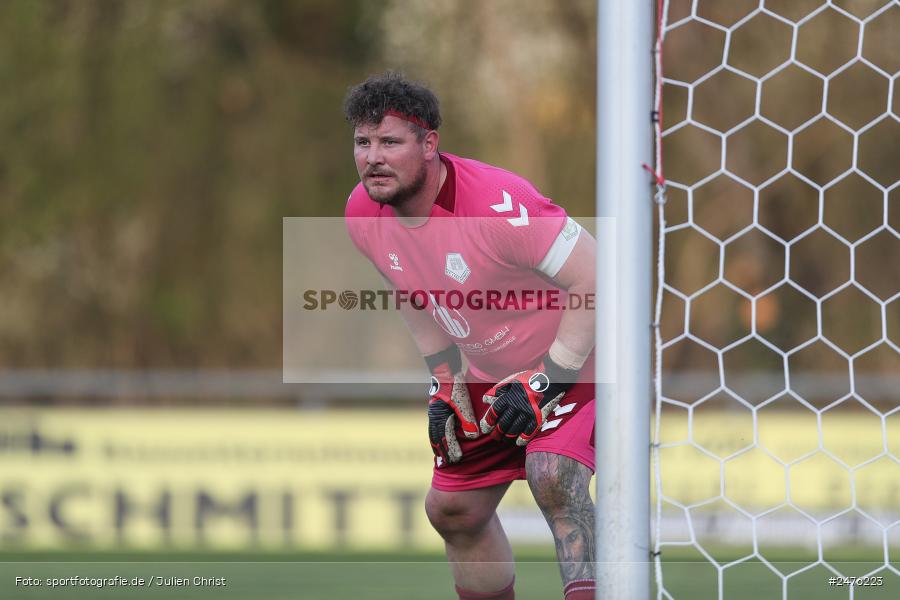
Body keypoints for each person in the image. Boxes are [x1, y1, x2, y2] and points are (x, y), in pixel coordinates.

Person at [343, 72, 597, 600]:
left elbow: (597, 279)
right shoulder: (362, 213)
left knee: (552, 475)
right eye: (363, 143)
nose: (373, 157)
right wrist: (443, 379)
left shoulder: (496, 204)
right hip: (491, 374)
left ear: (429, 144)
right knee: (454, 510)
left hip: (580, 359)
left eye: (390, 142)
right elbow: (409, 291)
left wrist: (551, 379)